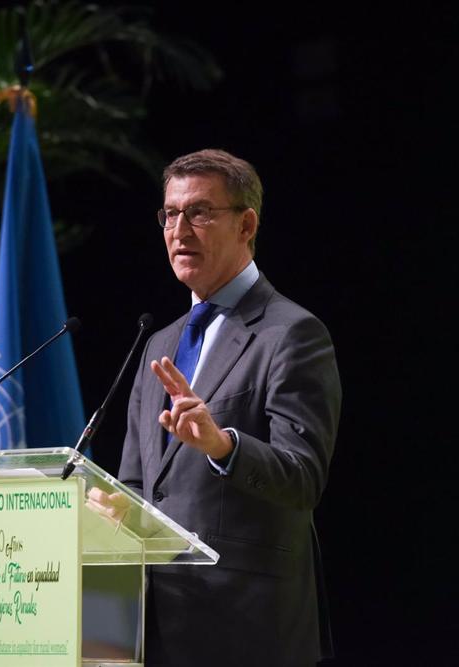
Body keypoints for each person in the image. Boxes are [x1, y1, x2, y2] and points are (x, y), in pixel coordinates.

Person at [117, 148, 342, 666]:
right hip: (157, 627)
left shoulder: (291, 333)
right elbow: (135, 483)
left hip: (248, 629)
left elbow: (303, 477)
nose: (180, 229)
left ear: (246, 225)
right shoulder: (159, 344)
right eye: (170, 214)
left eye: (199, 212)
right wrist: (110, 508)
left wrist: (223, 445)